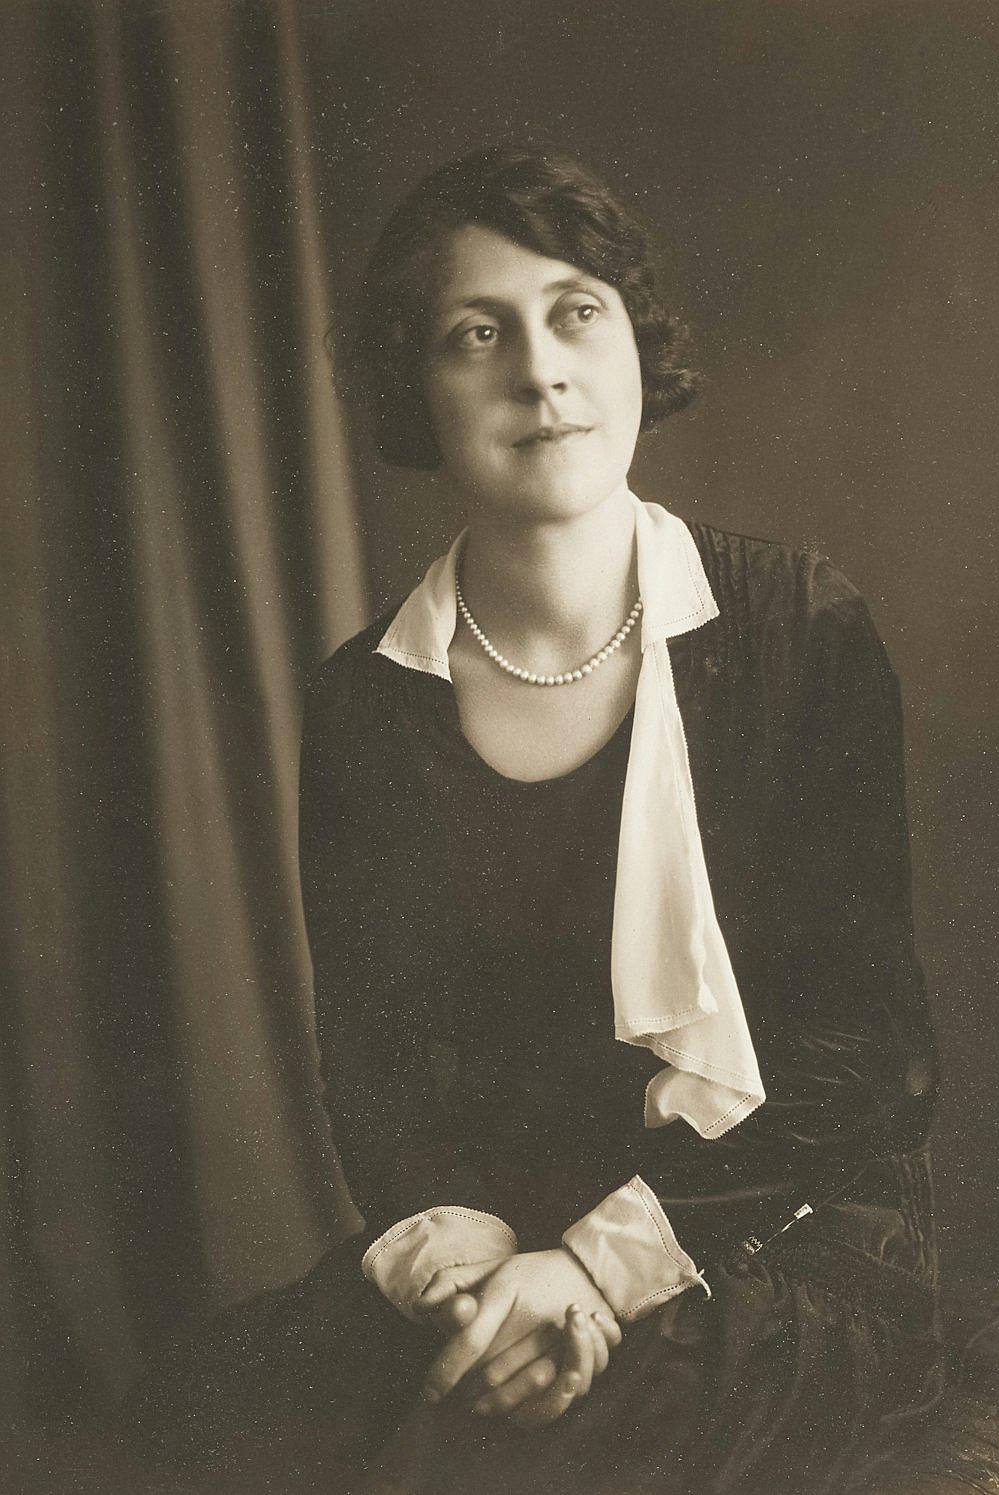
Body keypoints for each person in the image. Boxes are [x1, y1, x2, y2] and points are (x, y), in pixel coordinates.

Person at [123, 146, 943, 1494]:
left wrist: (596, 1271)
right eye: (474, 333)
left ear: (634, 347)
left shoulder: (799, 628)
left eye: (576, 312)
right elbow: (378, 1073)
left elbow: (864, 1060)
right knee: (211, 1431)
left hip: (759, 1234)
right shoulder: (367, 701)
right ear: (419, 390)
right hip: (498, 1246)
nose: (539, 370)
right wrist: (484, 1277)